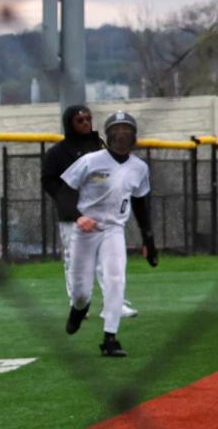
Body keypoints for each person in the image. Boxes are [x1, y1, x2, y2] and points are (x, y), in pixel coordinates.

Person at [60, 110, 157, 358]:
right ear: (108, 135)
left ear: (134, 136)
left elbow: (140, 204)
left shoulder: (139, 168)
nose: (122, 136)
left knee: (116, 280)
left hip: (114, 229)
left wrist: (148, 239)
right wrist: (78, 216)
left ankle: (110, 338)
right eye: (117, 131)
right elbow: (65, 191)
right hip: (86, 229)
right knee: (81, 292)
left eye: (127, 131)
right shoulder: (91, 161)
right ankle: (79, 309)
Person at [41, 104, 137, 320]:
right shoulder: (58, 153)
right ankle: (78, 305)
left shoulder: (99, 147)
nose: (85, 123)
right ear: (69, 124)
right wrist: (67, 202)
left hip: (101, 213)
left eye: (88, 119)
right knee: (75, 261)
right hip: (73, 216)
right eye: (80, 120)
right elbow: (49, 181)